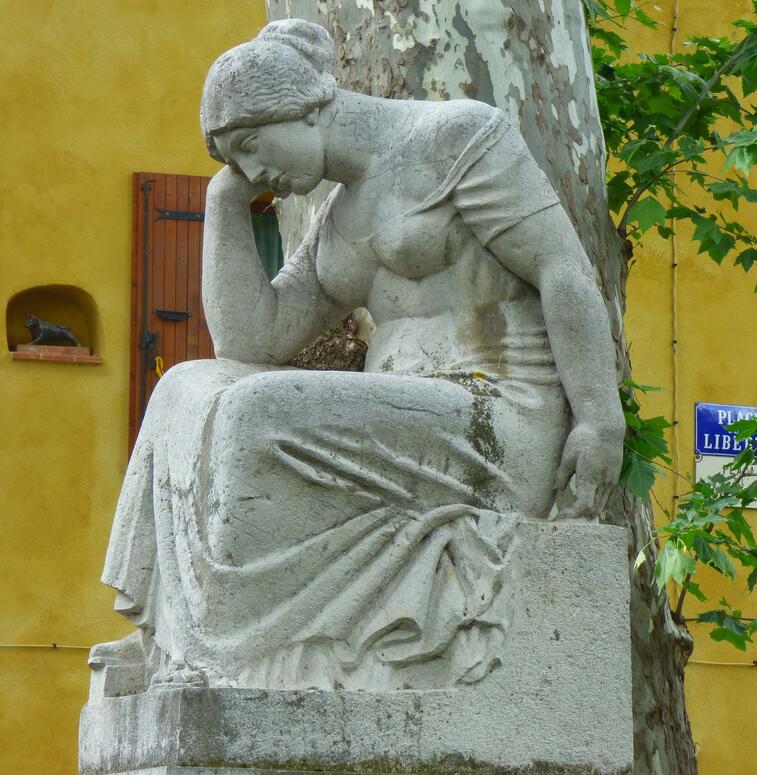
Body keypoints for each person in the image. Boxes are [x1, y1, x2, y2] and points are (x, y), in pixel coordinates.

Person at [94, 19, 624, 693]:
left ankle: (219, 648)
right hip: (409, 424)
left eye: (252, 147)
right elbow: (251, 340)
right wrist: (223, 201)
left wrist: (599, 419)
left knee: (258, 409)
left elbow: (562, 268)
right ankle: (170, 636)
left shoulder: (458, 138)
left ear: (305, 104)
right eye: (236, 161)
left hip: (500, 416)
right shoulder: (337, 221)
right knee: (183, 388)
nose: (255, 172)